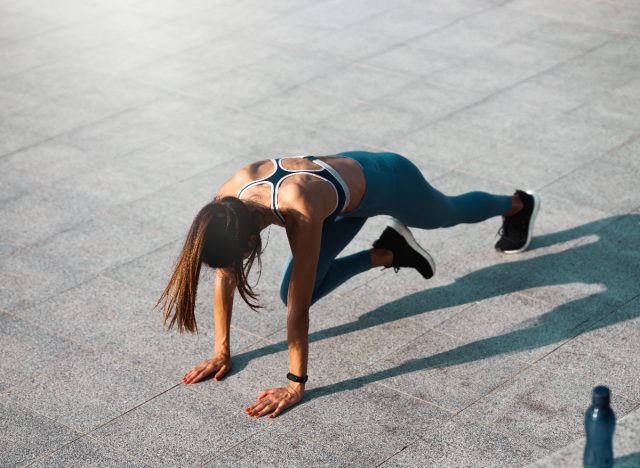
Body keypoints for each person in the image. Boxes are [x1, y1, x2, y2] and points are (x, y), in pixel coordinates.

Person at [157, 151, 540, 419]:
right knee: (291, 285)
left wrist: (295, 384)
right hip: (341, 198)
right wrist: (221, 352)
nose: (236, 266)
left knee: (447, 213)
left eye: (239, 256)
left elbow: (299, 306)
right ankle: (391, 251)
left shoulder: (299, 210)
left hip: (388, 180)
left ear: (247, 241)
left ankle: (519, 204)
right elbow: (225, 274)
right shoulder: (228, 202)